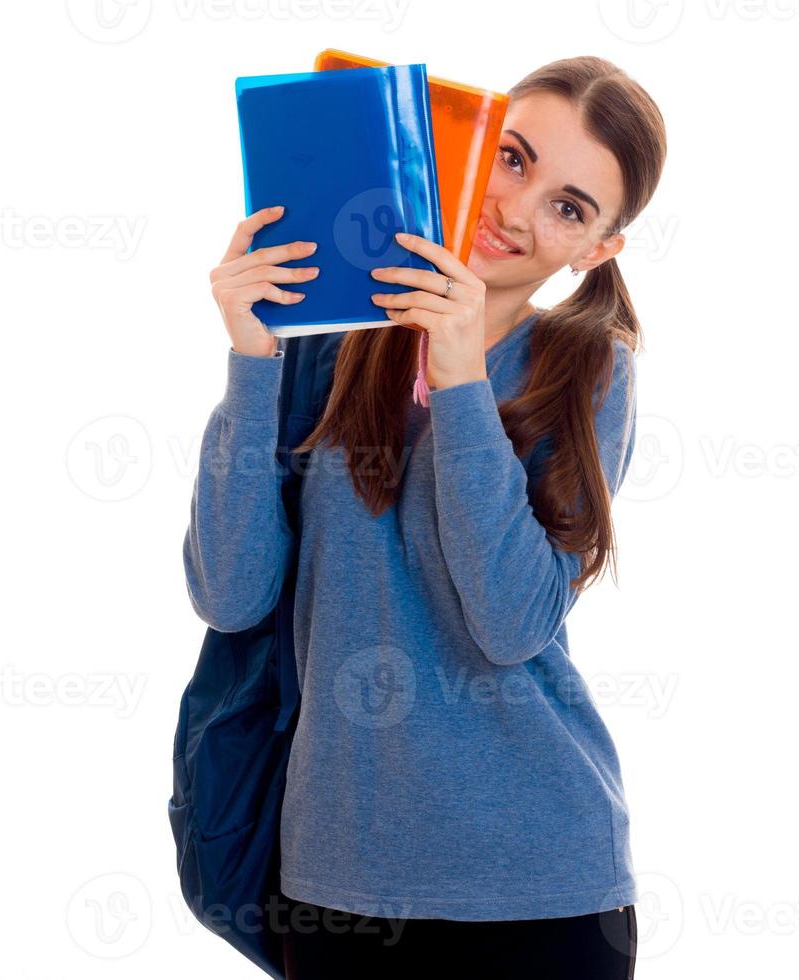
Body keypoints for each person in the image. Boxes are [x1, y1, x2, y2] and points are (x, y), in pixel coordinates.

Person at [188, 54, 667, 979]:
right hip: (339, 886)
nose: (518, 210)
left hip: (541, 888)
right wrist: (252, 357)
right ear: (464, 140)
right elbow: (231, 593)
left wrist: (459, 377)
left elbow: (511, 621)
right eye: (514, 157)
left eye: (570, 207)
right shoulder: (329, 344)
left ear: (596, 249)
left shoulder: (587, 371)